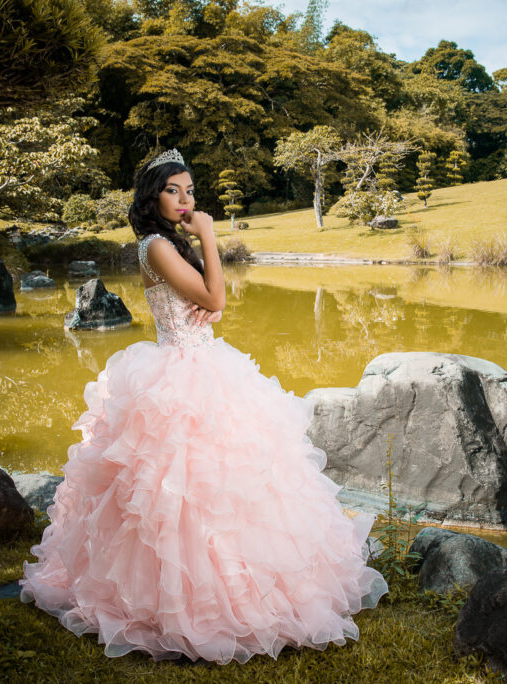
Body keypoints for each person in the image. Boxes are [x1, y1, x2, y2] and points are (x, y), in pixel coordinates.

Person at [20, 149, 387, 665]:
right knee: (177, 490)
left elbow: (206, 305)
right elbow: (216, 300)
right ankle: (175, 602)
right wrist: (209, 236)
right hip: (177, 375)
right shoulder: (155, 245)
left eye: (191, 191)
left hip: (207, 364)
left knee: (237, 486)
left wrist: (202, 282)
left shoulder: (171, 245)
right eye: (175, 191)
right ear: (153, 197)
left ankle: (254, 584)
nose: (187, 201)